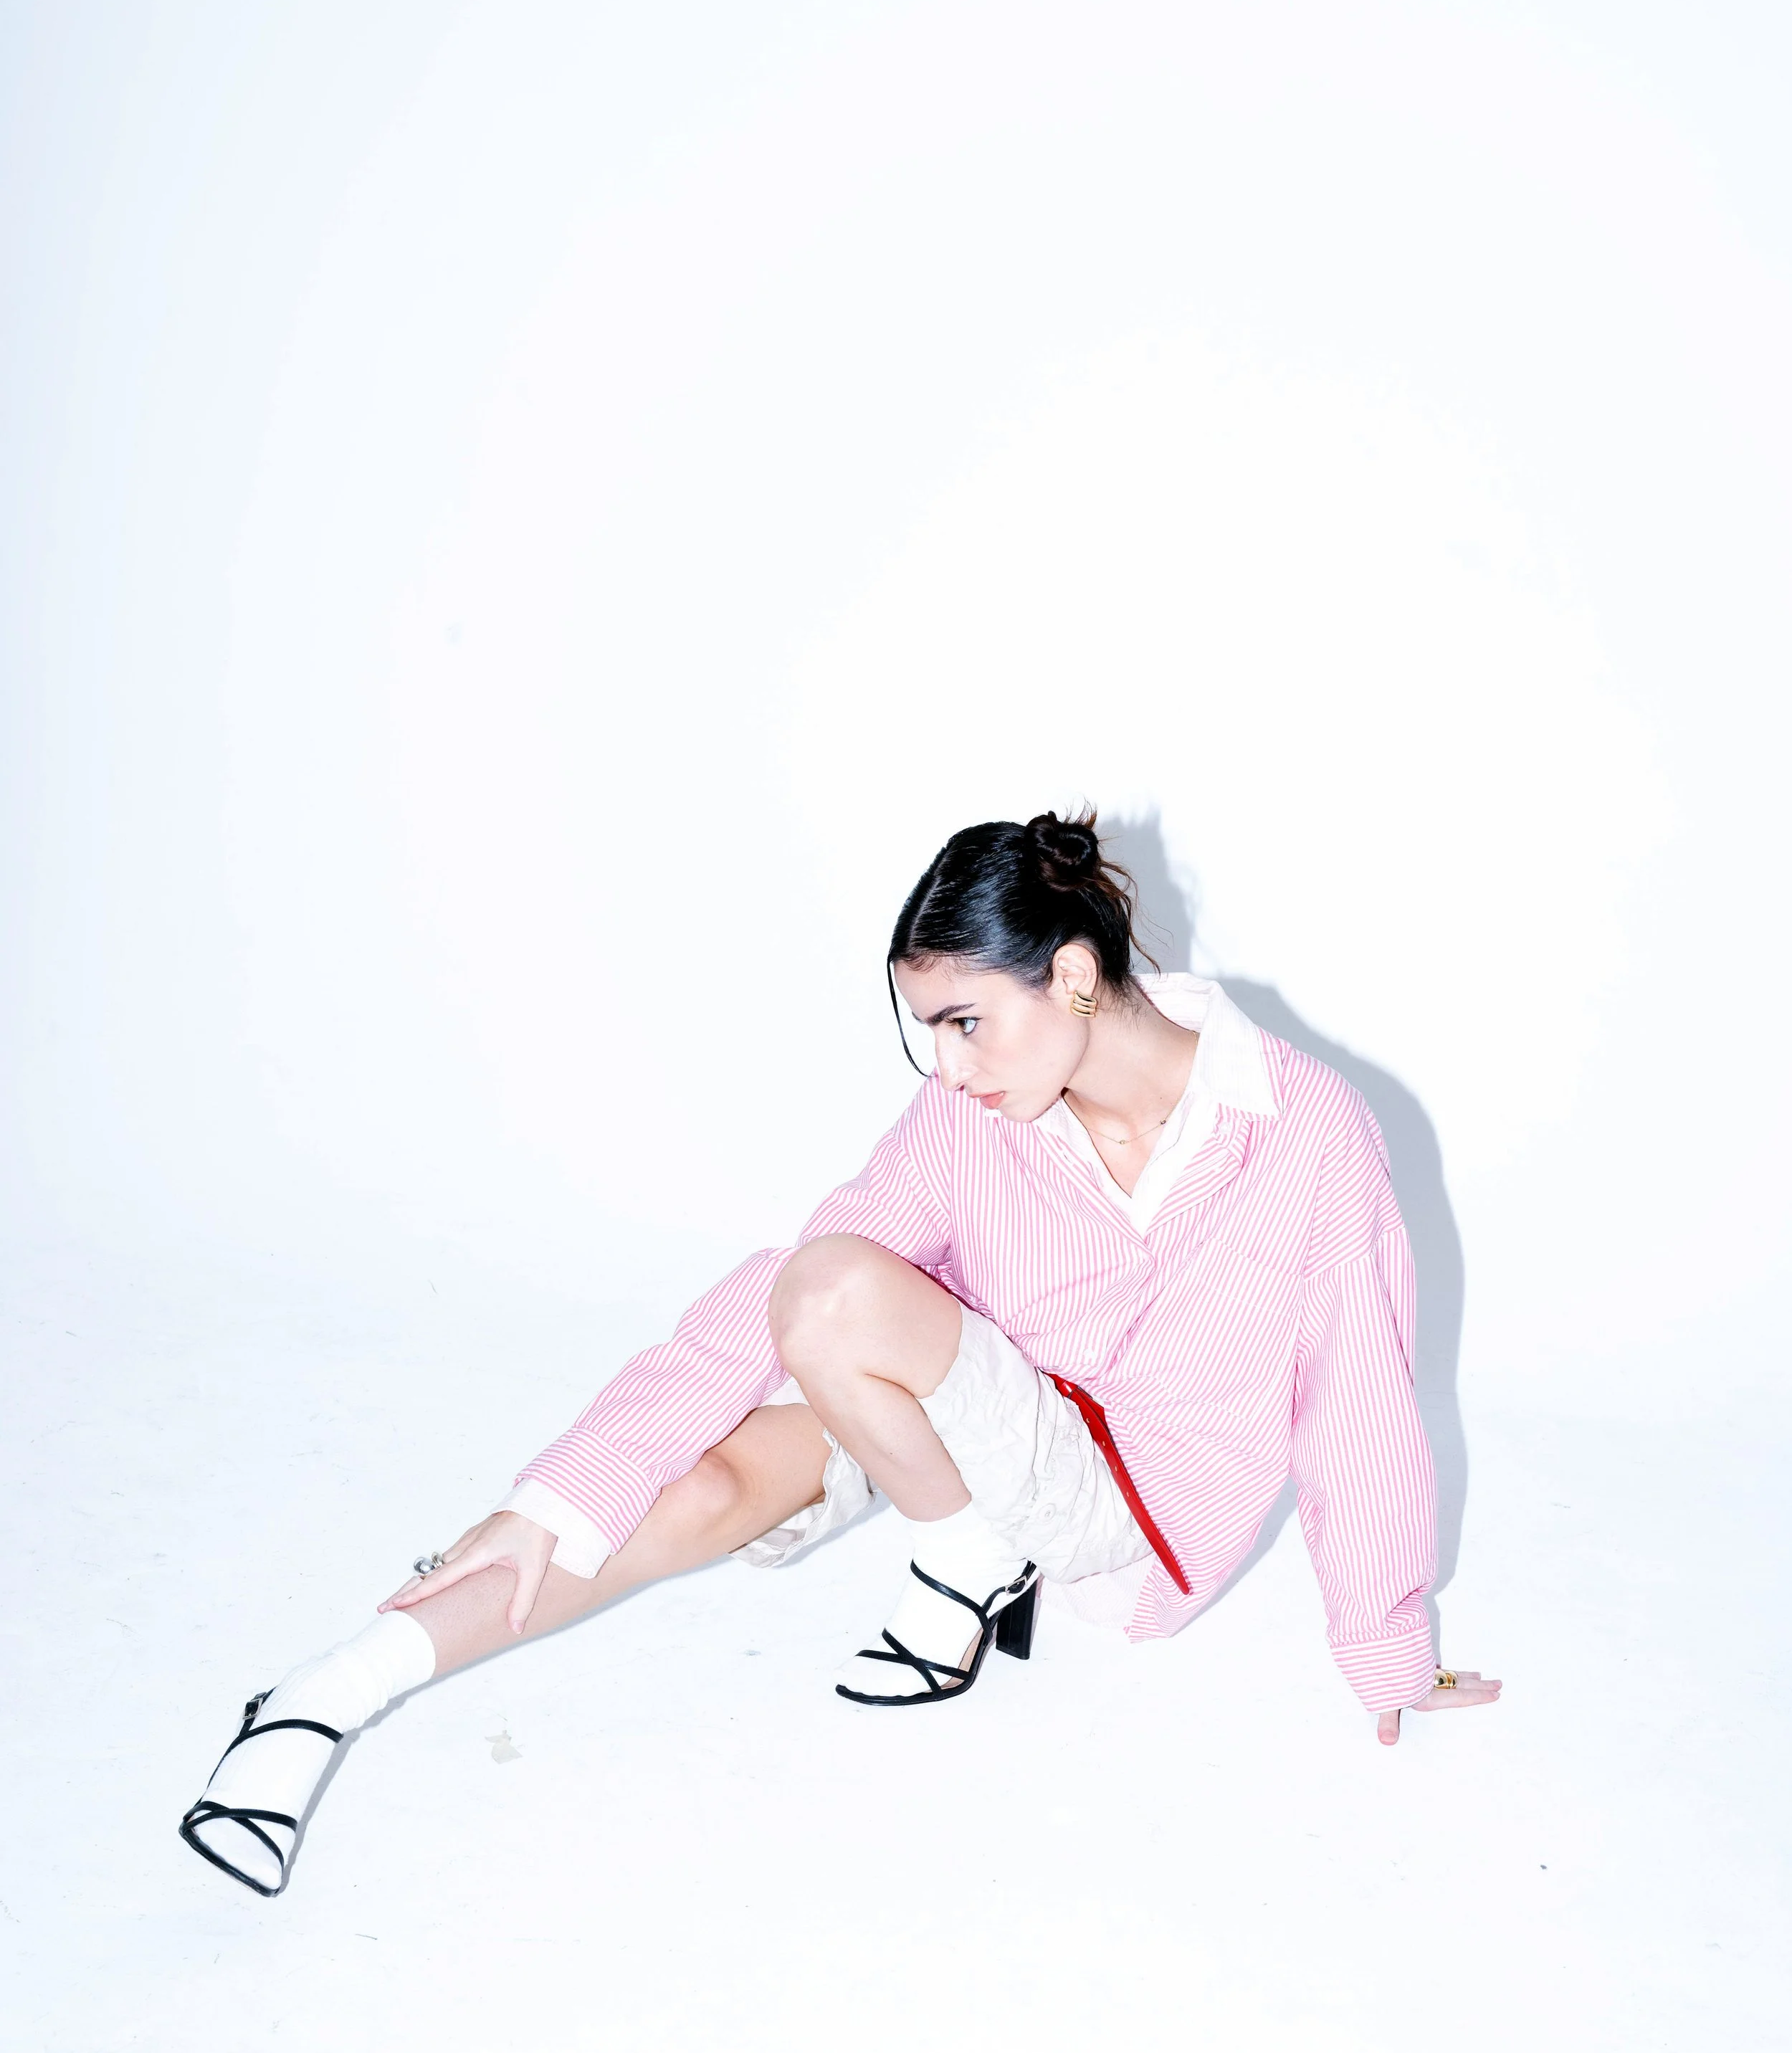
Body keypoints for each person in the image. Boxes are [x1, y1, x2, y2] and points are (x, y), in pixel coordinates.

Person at [180, 811, 1500, 1896]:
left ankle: (972, 1561)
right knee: (691, 1482)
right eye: (924, 1028)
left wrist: (1385, 1644)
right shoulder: (968, 1117)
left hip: (1126, 1501)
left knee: (838, 1301)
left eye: (965, 1021)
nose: (944, 1064)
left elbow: (1359, 1391)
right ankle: (317, 1697)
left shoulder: (1306, 1133)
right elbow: (786, 1294)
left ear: (1080, 979)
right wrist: (558, 1493)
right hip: (967, 1413)